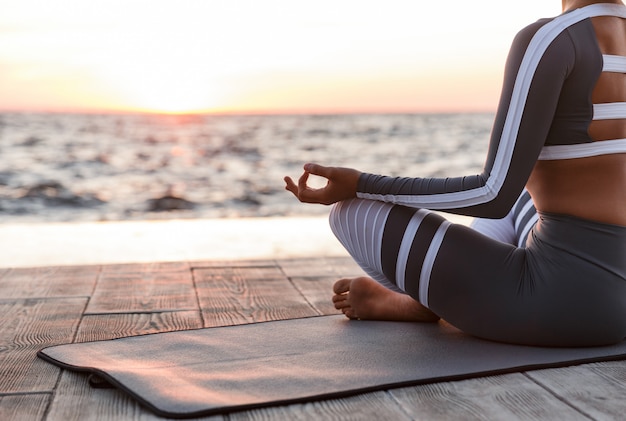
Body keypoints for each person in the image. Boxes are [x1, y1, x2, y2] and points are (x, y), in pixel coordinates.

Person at [284, 0, 626, 347]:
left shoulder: (551, 38)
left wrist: (360, 184)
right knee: (526, 196)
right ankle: (455, 292)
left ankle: (423, 304)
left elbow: (492, 194)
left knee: (350, 213)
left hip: (569, 306)